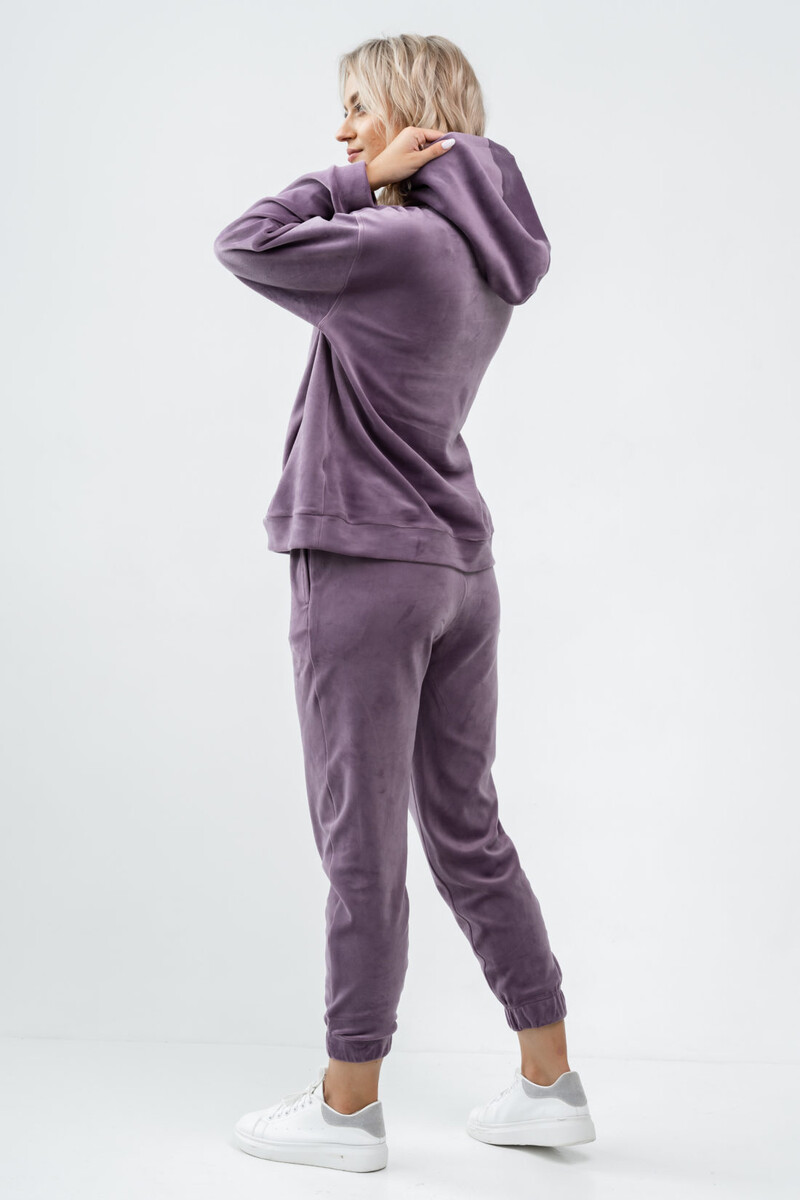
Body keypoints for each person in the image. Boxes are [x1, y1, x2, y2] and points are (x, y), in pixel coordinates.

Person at [213, 33, 596, 1173]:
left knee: (361, 844)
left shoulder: (389, 241)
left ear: (414, 117)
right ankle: (548, 1080)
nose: (342, 131)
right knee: (466, 828)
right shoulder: (478, 259)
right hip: (458, 570)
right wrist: (378, 173)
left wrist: (356, 182)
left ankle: (346, 1108)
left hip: (364, 566)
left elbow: (242, 240)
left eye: (358, 108)